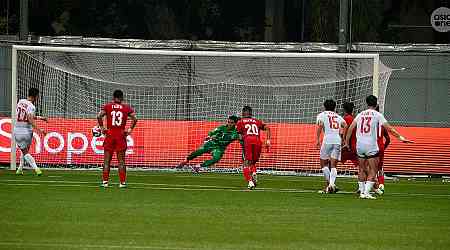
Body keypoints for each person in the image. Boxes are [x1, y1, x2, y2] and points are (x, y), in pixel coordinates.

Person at [344, 95, 412, 199]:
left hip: (360, 145)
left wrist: (347, 142)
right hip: (371, 145)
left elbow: (351, 128)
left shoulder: (360, 114)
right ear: (376, 104)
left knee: (361, 169)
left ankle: (362, 192)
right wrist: (401, 138)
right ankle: (366, 192)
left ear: (367, 104)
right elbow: (389, 129)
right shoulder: (377, 115)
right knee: (373, 170)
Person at [97, 90, 137, 188]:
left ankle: (105, 182)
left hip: (110, 134)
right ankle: (122, 183)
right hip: (120, 135)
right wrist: (130, 130)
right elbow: (135, 119)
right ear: (122, 97)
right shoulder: (126, 108)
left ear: (113, 97)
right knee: (121, 161)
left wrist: (102, 128)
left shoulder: (108, 106)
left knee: (106, 160)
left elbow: (99, 116)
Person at [14, 87, 48, 176]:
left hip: (17, 130)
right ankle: (28, 169)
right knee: (25, 151)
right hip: (27, 131)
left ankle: (27, 169)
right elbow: (29, 118)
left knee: (24, 152)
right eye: (37, 96)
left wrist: (40, 118)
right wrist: (40, 129)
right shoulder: (32, 106)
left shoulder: (20, 101)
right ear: (35, 96)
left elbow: (26, 116)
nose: (38, 98)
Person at [316, 99, 347, 193]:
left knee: (323, 164)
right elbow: (345, 125)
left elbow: (320, 125)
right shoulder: (338, 116)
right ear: (334, 107)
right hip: (337, 140)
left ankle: (330, 185)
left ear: (324, 106)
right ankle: (331, 185)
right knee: (333, 165)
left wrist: (317, 139)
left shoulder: (322, 115)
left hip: (327, 140)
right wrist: (343, 137)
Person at [236, 106, 271, 190]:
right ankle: (254, 172)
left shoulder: (240, 122)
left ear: (243, 112)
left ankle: (250, 182)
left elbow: (239, 135)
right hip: (258, 142)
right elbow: (268, 128)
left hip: (248, 141)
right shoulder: (257, 121)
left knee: (245, 163)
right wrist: (268, 140)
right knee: (252, 162)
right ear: (251, 113)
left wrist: (241, 142)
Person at [375, 105, 390, 194]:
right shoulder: (382, 123)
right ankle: (381, 185)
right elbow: (388, 139)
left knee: (368, 167)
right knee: (380, 168)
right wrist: (383, 148)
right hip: (380, 147)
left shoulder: (368, 121)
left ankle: (364, 187)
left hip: (371, 147)